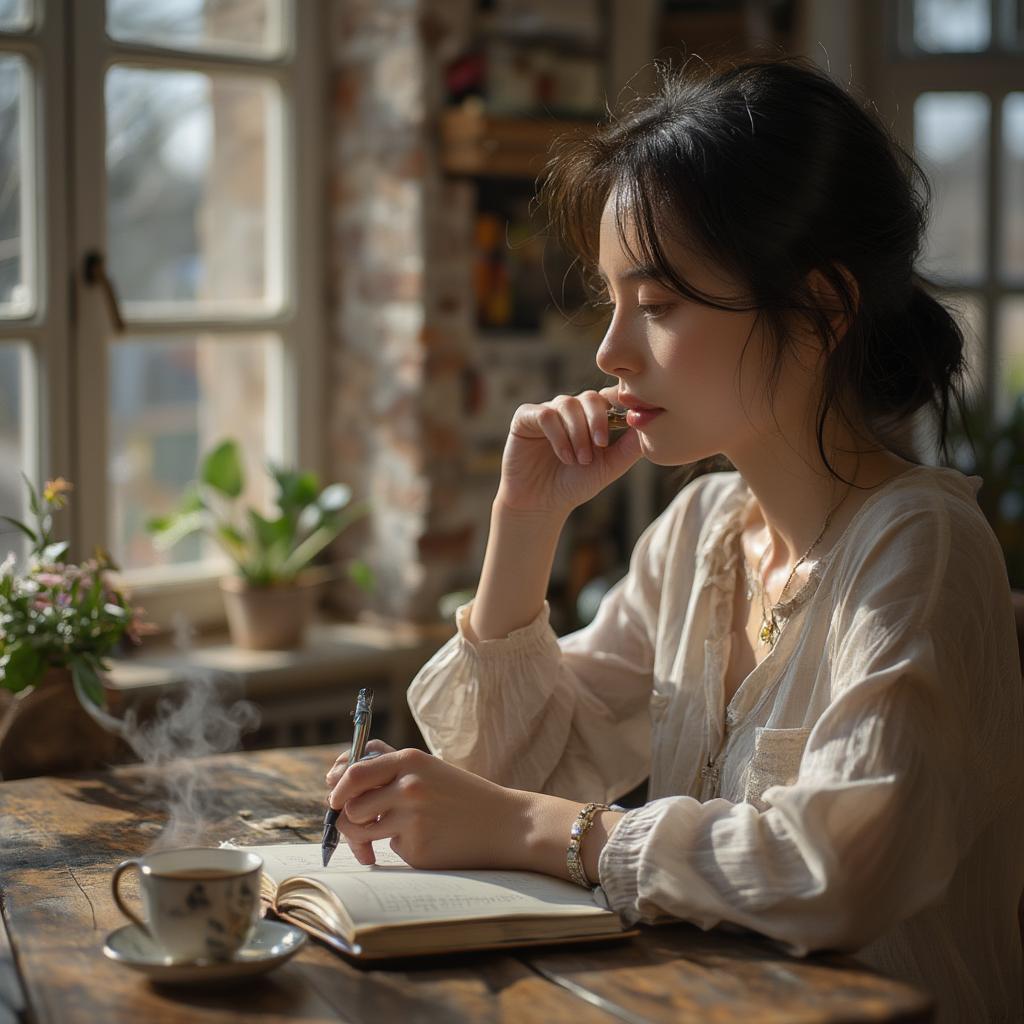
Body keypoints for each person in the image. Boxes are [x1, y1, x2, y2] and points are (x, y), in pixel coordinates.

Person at [325, 56, 1024, 1023]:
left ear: (821, 309)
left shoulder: (923, 546)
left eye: (656, 306)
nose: (610, 352)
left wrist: (547, 833)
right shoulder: (701, 532)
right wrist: (523, 527)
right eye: (613, 303)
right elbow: (507, 777)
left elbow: (841, 868)